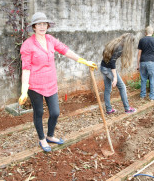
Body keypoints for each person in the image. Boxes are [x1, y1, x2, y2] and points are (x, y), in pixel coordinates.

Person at [18, 12, 97, 152]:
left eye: (44, 24)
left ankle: (50, 136)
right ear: (34, 27)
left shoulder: (50, 39)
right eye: (39, 24)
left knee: (55, 112)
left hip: (50, 83)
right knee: (39, 112)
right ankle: (42, 139)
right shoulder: (27, 45)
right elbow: (26, 69)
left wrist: (83, 61)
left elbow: (65, 50)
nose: (42, 27)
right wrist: (24, 90)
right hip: (35, 85)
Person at [100, 33, 136, 114]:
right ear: (129, 42)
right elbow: (112, 62)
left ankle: (109, 110)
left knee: (108, 89)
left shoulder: (115, 43)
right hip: (108, 69)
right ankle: (127, 108)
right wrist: (115, 77)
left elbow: (105, 54)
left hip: (103, 67)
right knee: (122, 87)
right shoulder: (120, 47)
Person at [137, 26, 154, 101]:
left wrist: (138, 65)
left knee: (143, 79)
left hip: (143, 62)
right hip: (151, 62)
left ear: (145, 32)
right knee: (152, 79)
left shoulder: (141, 40)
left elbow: (139, 54)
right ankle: (151, 97)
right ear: (152, 32)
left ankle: (142, 95)